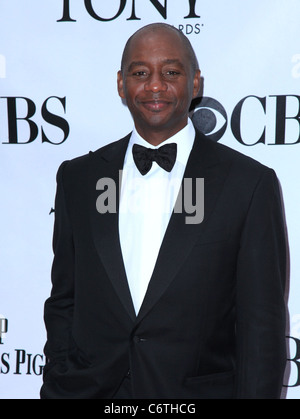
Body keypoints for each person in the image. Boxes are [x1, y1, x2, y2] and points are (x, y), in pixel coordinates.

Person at [41, 23, 287, 399]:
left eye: (171, 72)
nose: (155, 85)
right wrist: (58, 384)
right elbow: (64, 300)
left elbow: (262, 329)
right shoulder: (79, 178)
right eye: (140, 73)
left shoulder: (247, 184)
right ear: (121, 84)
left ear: (196, 83)